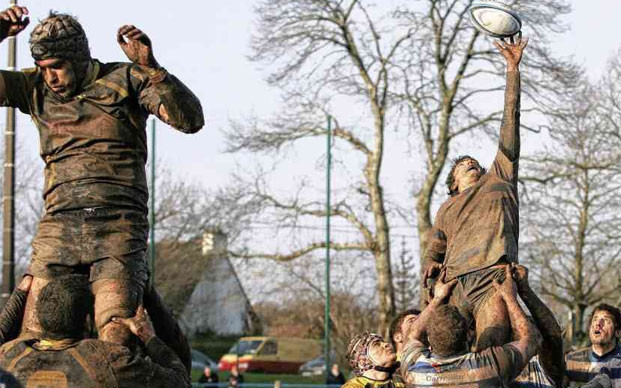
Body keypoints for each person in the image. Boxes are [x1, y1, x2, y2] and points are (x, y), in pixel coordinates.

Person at [0, 6, 204, 345]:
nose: (50, 78)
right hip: (58, 229)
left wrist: (153, 70)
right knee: (37, 337)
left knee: (118, 335)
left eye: (57, 68)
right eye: (43, 68)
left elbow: (191, 120)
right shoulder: (32, 87)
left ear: (80, 59)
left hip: (117, 228)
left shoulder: (125, 79)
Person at [422, 33, 528, 350]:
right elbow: (432, 253)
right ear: (453, 183)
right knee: (442, 351)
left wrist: (512, 70)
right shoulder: (446, 209)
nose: (473, 164)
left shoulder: (499, 177)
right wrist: (429, 265)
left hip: (491, 278)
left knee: (491, 349)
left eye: (475, 162)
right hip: (452, 284)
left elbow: (510, 120)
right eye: (464, 165)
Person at [0, 274, 190, 387]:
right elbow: (180, 380)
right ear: (88, 321)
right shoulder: (107, 362)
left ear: (39, 317)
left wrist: (19, 295)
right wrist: (148, 335)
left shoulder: (8, 357)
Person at [401, 266, 541, 387]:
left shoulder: (414, 372)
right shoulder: (492, 366)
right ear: (469, 334)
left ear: (430, 340)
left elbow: (412, 334)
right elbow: (530, 340)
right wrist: (510, 296)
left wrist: (438, 298)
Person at [510, 264, 563, 388]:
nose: (528, 335)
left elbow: (552, 334)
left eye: (533, 330)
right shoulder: (501, 362)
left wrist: (524, 289)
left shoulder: (546, 367)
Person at [565, 304, 621, 387]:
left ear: (618, 332)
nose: (598, 324)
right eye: (595, 320)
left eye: (606, 320)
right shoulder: (569, 361)